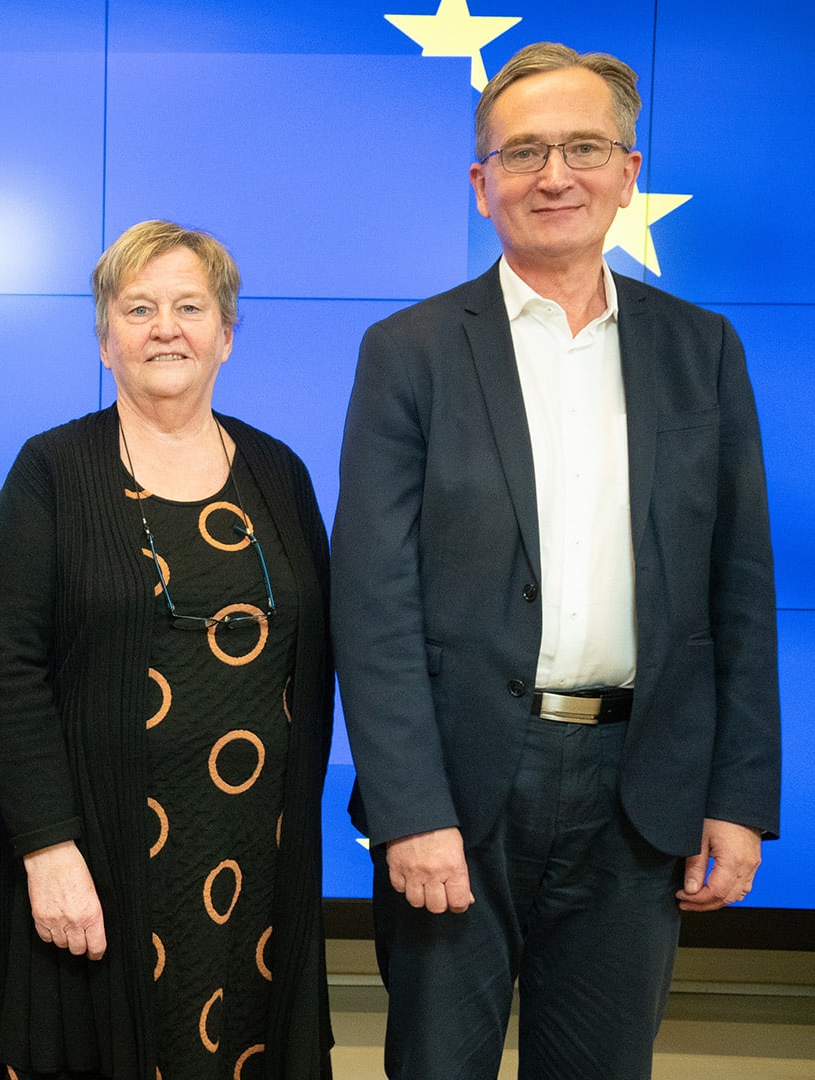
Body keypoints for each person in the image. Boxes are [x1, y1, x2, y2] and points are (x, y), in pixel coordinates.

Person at [332, 41, 780, 1078]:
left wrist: (739, 797)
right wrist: (411, 811)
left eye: (585, 147)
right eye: (524, 152)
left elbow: (741, 589)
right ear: (482, 185)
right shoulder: (410, 352)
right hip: (464, 788)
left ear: (628, 173)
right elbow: (374, 600)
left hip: (644, 789)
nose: (555, 174)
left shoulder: (702, 348)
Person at [0, 221, 335, 1080]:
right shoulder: (53, 470)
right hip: (97, 860)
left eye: (191, 307)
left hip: (255, 864)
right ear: (104, 338)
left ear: (226, 335)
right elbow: (4, 671)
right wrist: (47, 851)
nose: (166, 328)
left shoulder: (280, 471)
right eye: (139, 308)